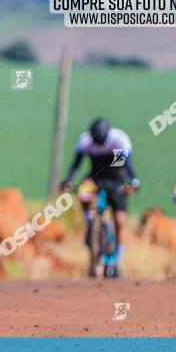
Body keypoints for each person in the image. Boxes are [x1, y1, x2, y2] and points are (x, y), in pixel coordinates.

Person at [60, 117, 140, 276]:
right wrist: (68, 180)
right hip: (95, 179)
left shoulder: (119, 140)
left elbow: (126, 166)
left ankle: (117, 261)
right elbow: (76, 165)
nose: (99, 145)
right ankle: (90, 220)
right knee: (83, 191)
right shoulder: (84, 141)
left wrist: (134, 181)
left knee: (120, 221)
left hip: (116, 178)